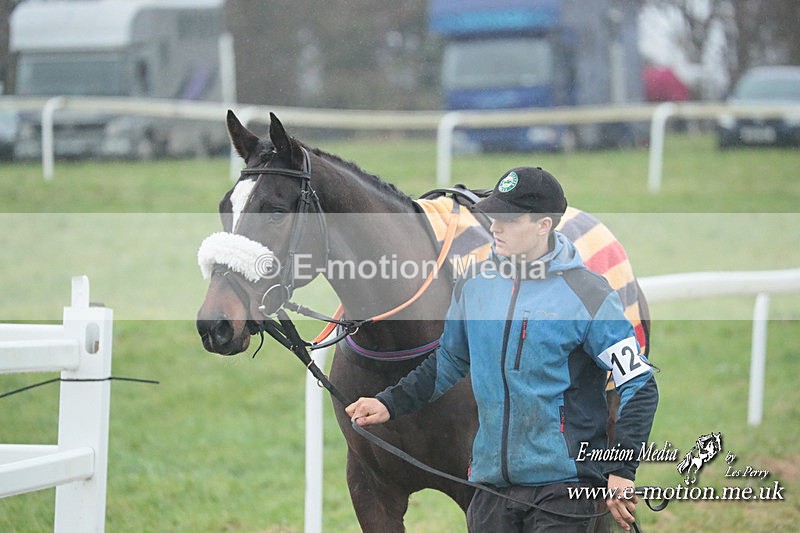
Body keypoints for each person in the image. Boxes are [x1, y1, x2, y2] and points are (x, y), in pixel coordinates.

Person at [346, 167, 658, 532]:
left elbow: (639, 384)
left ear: (543, 225)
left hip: (566, 489)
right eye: (494, 215)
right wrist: (388, 403)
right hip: (492, 489)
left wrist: (622, 470)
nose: (495, 226)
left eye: (509, 219)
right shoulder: (474, 286)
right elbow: (449, 362)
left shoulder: (590, 295)